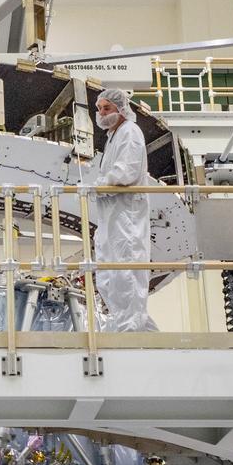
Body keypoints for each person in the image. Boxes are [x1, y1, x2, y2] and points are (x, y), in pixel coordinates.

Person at [92, 88, 157, 332]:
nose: (101, 113)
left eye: (106, 108)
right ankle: (127, 326)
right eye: (99, 109)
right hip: (111, 216)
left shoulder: (130, 133)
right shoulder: (113, 135)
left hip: (126, 216)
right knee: (109, 276)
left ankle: (132, 331)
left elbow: (125, 173)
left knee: (126, 273)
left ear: (121, 109)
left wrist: (98, 184)